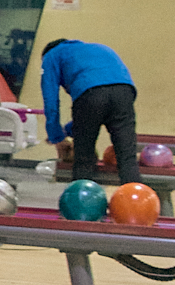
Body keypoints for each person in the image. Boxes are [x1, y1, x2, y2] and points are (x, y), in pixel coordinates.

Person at [38, 37, 142, 185]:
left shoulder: (51, 56)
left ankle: (82, 204)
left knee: (84, 159)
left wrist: (56, 137)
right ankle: (137, 204)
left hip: (89, 94)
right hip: (124, 92)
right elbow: (99, 110)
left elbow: (51, 101)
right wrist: (66, 131)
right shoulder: (100, 47)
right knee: (127, 158)